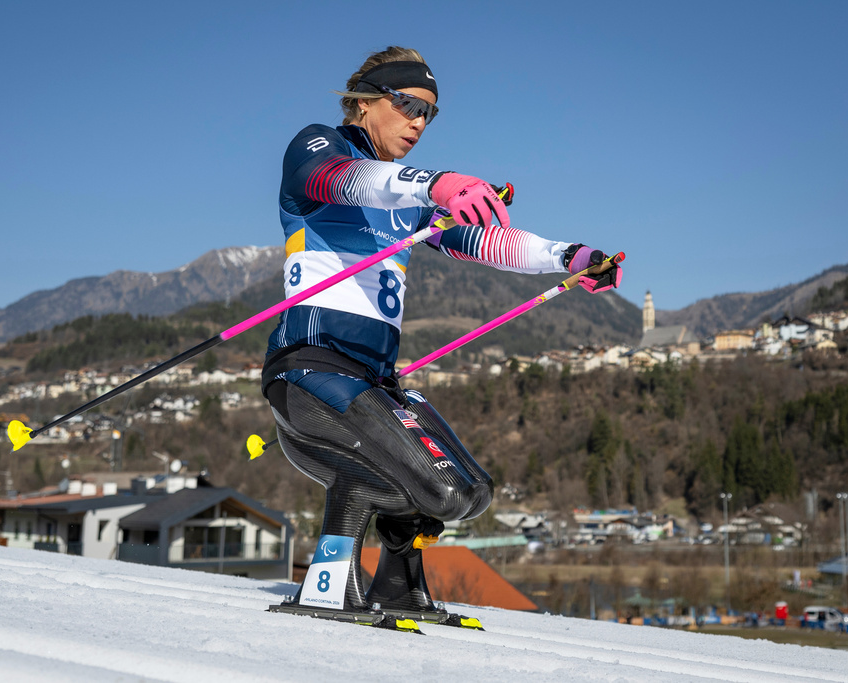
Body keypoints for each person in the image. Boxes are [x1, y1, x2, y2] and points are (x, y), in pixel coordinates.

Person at [261, 46, 621, 624]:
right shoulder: (318, 146)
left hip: (373, 377)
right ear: (364, 101)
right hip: (312, 369)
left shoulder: (405, 198)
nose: (418, 122)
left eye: (429, 113)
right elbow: (343, 181)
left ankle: (398, 589)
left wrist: (570, 256)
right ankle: (330, 586)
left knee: (469, 492)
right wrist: (437, 184)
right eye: (406, 104)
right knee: (436, 490)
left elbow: (485, 241)